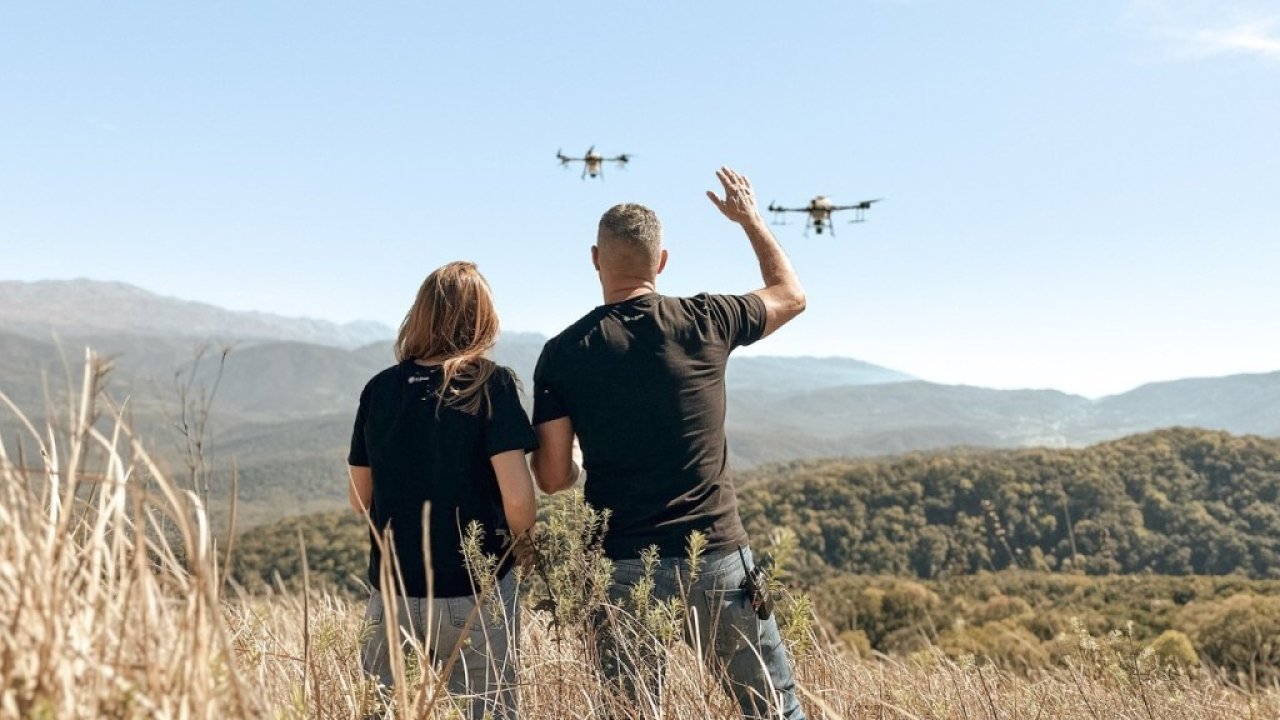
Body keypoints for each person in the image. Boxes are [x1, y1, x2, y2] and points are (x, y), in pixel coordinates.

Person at [529, 167, 808, 719]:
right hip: (719, 558)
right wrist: (750, 220)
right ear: (661, 261)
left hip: (620, 563)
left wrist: (583, 467)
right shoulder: (707, 319)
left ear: (595, 259)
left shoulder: (562, 354)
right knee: (774, 712)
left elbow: (553, 478)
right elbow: (791, 296)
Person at [347, 261, 537, 720]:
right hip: (475, 591)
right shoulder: (490, 384)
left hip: (392, 593)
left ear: (421, 315)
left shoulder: (380, 389)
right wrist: (526, 550)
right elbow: (518, 498)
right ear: (483, 320)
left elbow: (359, 498)